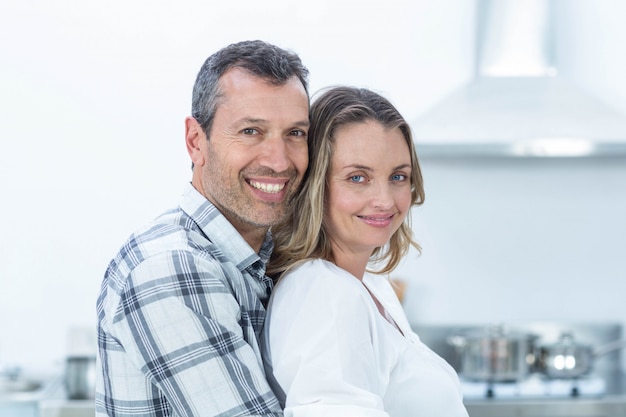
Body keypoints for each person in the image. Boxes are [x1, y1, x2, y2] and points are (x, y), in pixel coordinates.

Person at [96, 40, 310, 417]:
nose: (279, 162)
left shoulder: (256, 257)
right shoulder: (171, 268)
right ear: (196, 142)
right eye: (251, 131)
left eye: (295, 133)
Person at [262, 86, 469, 417]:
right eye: (358, 177)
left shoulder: (371, 283)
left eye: (398, 176)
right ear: (315, 185)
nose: (386, 200)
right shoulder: (324, 292)